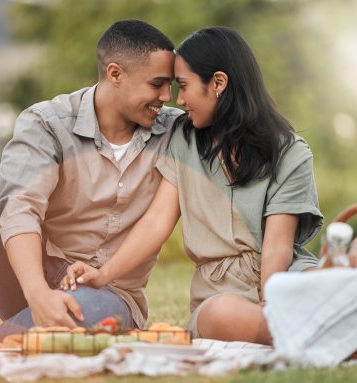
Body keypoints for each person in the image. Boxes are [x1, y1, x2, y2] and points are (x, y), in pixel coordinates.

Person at [0, 19, 182, 347]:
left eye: (170, 85)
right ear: (115, 74)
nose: (167, 96)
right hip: (30, 275)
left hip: (109, 295)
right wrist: (38, 293)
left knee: (97, 313)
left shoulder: (175, 133)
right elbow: (20, 206)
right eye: (157, 84)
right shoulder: (48, 123)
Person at [60, 27, 324, 345]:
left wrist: (271, 304)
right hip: (220, 293)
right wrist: (103, 273)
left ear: (218, 83)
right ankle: (320, 332)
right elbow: (157, 222)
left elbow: (277, 246)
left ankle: (294, 326)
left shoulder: (289, 151)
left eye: (184, 87)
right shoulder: (183, 141)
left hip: (281, 277)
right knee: (220, 314)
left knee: (319, 280)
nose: (178, 100)